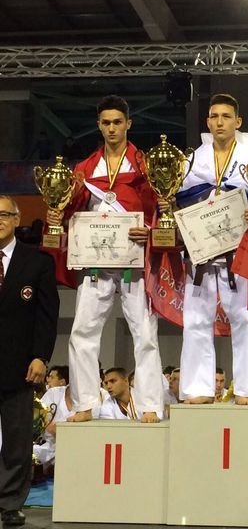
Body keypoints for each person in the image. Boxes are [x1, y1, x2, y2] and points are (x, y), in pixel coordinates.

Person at [46, 95, 164, 424]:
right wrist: (57, 215)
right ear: (99, 125)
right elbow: (70, 208)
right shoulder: (85, 169)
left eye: (117, 122)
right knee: (82, 332)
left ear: (128, 124)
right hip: (95, 262)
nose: (112, 128)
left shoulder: (145, 166)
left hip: (134, 261)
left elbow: (161, 209)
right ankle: (84, 403)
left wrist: (150, 231)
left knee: (145, 334)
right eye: (106, 123)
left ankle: (150, 404)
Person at [174, 93, 248, 406]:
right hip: (201, 247)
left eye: (226, 116)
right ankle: (198, 387)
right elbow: (179, 197)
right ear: (207, 121)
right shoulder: (193, 160)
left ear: (238, 121)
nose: (219, 122)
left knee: (242, 316)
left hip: (238, 247)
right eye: (214, 116)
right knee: (196, 318)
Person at [0, 195, 59, 526]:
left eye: (4, 214)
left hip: (19, 365)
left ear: (16, 219)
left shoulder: (37, 262)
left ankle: (10, 504)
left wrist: (41, 356)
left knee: (17, 439)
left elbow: (47, 316)